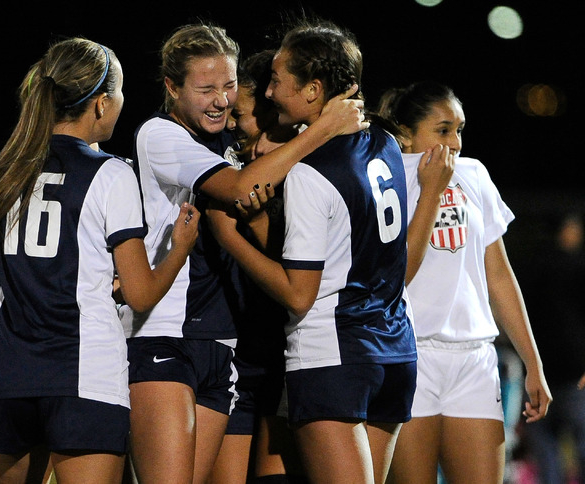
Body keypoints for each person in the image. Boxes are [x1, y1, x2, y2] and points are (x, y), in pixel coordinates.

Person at [119, 22, 368, 484]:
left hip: (222, 340)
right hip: (166, 335)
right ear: (171, 87)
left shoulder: (225, 140)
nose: (221, 99)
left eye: (229, 85)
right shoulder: (159, 134)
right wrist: (323, 129)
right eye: (206, 88)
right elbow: (239, 189)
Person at [0, 37, 199, 484]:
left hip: (8, 375)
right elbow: (140, 293)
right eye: (122, 94)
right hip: (83, 374)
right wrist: (179, 246)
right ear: (101, 104)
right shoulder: (111, 173)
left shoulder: (11, 169)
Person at [207, 18, 418, 484]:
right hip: (395, 351)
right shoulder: (383, 143)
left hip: (334, 354)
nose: (266, 93)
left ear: (312, 90)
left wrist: (230, 237)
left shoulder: (308, 174)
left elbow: (299, 294)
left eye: (278, 81)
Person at [377, 80, 552, 484]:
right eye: (443, 130)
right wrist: (431, 192)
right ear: (406, 133)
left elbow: (499, 275)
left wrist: (533, 361)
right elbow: (393, 275)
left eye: (459, 129)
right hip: (410, 355)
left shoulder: (474, 174)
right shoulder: (385, 179)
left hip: (474, 359)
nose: (455, 141)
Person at [209, 49, 305, 484]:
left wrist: (250, 226)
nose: (231, 123)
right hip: (237, 358)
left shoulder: (306, 173)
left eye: (241, 114)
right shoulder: (229, 165)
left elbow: (296, 277)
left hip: (284, 358)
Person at [523, 212, 585, 483]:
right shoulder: (578, 267)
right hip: (575, 372)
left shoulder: (532, 267)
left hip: (539, 371)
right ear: (568, 230)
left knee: (546, 452)